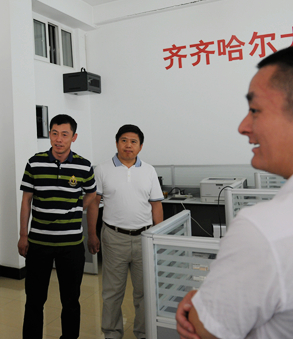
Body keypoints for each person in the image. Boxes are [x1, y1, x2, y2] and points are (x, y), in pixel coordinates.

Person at [176, 46, 293, 339]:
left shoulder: (264, 229)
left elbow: (204, 331)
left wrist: (199, 304)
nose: (243, 127)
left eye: (255, 110)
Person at [18, 114, 97, 339]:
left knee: (71, 300)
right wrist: (23, 235)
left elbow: (92, 193)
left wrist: (77, 207)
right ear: (49, 135)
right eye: (54, 133)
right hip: (38, 242)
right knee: (34, 299)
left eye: (64, 134)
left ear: (74, 137)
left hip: (71, 244)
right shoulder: (35, 162)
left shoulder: (83, 165)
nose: (59, 139)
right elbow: (26, 200)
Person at [86, 124, 163, 339]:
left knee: (145, 292)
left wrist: (158, 238)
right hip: (114, 237)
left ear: (140, 146)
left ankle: (144, 332)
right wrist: (92, 234)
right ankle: (112, 333)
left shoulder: (149, 170)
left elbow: (156, 205)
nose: (128, 145)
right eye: (124, 140)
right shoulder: (102, 170)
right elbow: (94, 204)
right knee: (112, 292)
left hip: (144, 238)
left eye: (133, 142)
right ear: (117, 143)